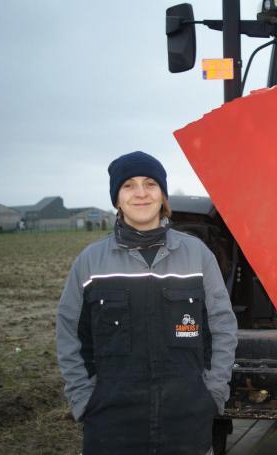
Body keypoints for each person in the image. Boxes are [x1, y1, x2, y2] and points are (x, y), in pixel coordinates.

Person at [56, 151, 237, 455]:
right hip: (111, 427)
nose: (140, 193)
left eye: (150, 184)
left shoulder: (198, 255)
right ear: (117, 198)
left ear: (162, 195)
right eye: (129, 186)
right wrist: (83, 399)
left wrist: (213, 393)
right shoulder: (91, 262)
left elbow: (222, 327)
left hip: (187, 425)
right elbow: (69, 335)